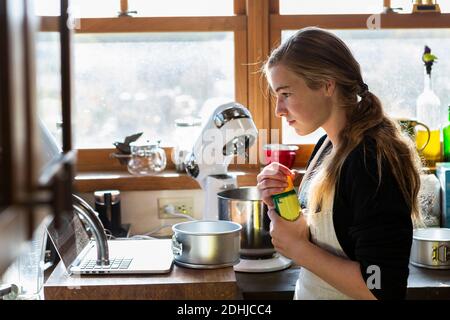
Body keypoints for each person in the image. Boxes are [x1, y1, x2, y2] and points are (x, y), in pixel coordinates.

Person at [257, 27, 422, 300]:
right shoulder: (327, 146)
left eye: (286, 93)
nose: (278, 109)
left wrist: (297, 249)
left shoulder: (371, 161)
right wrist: (279, 201)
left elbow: (382, 287)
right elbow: (327, 236)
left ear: (326, 85)